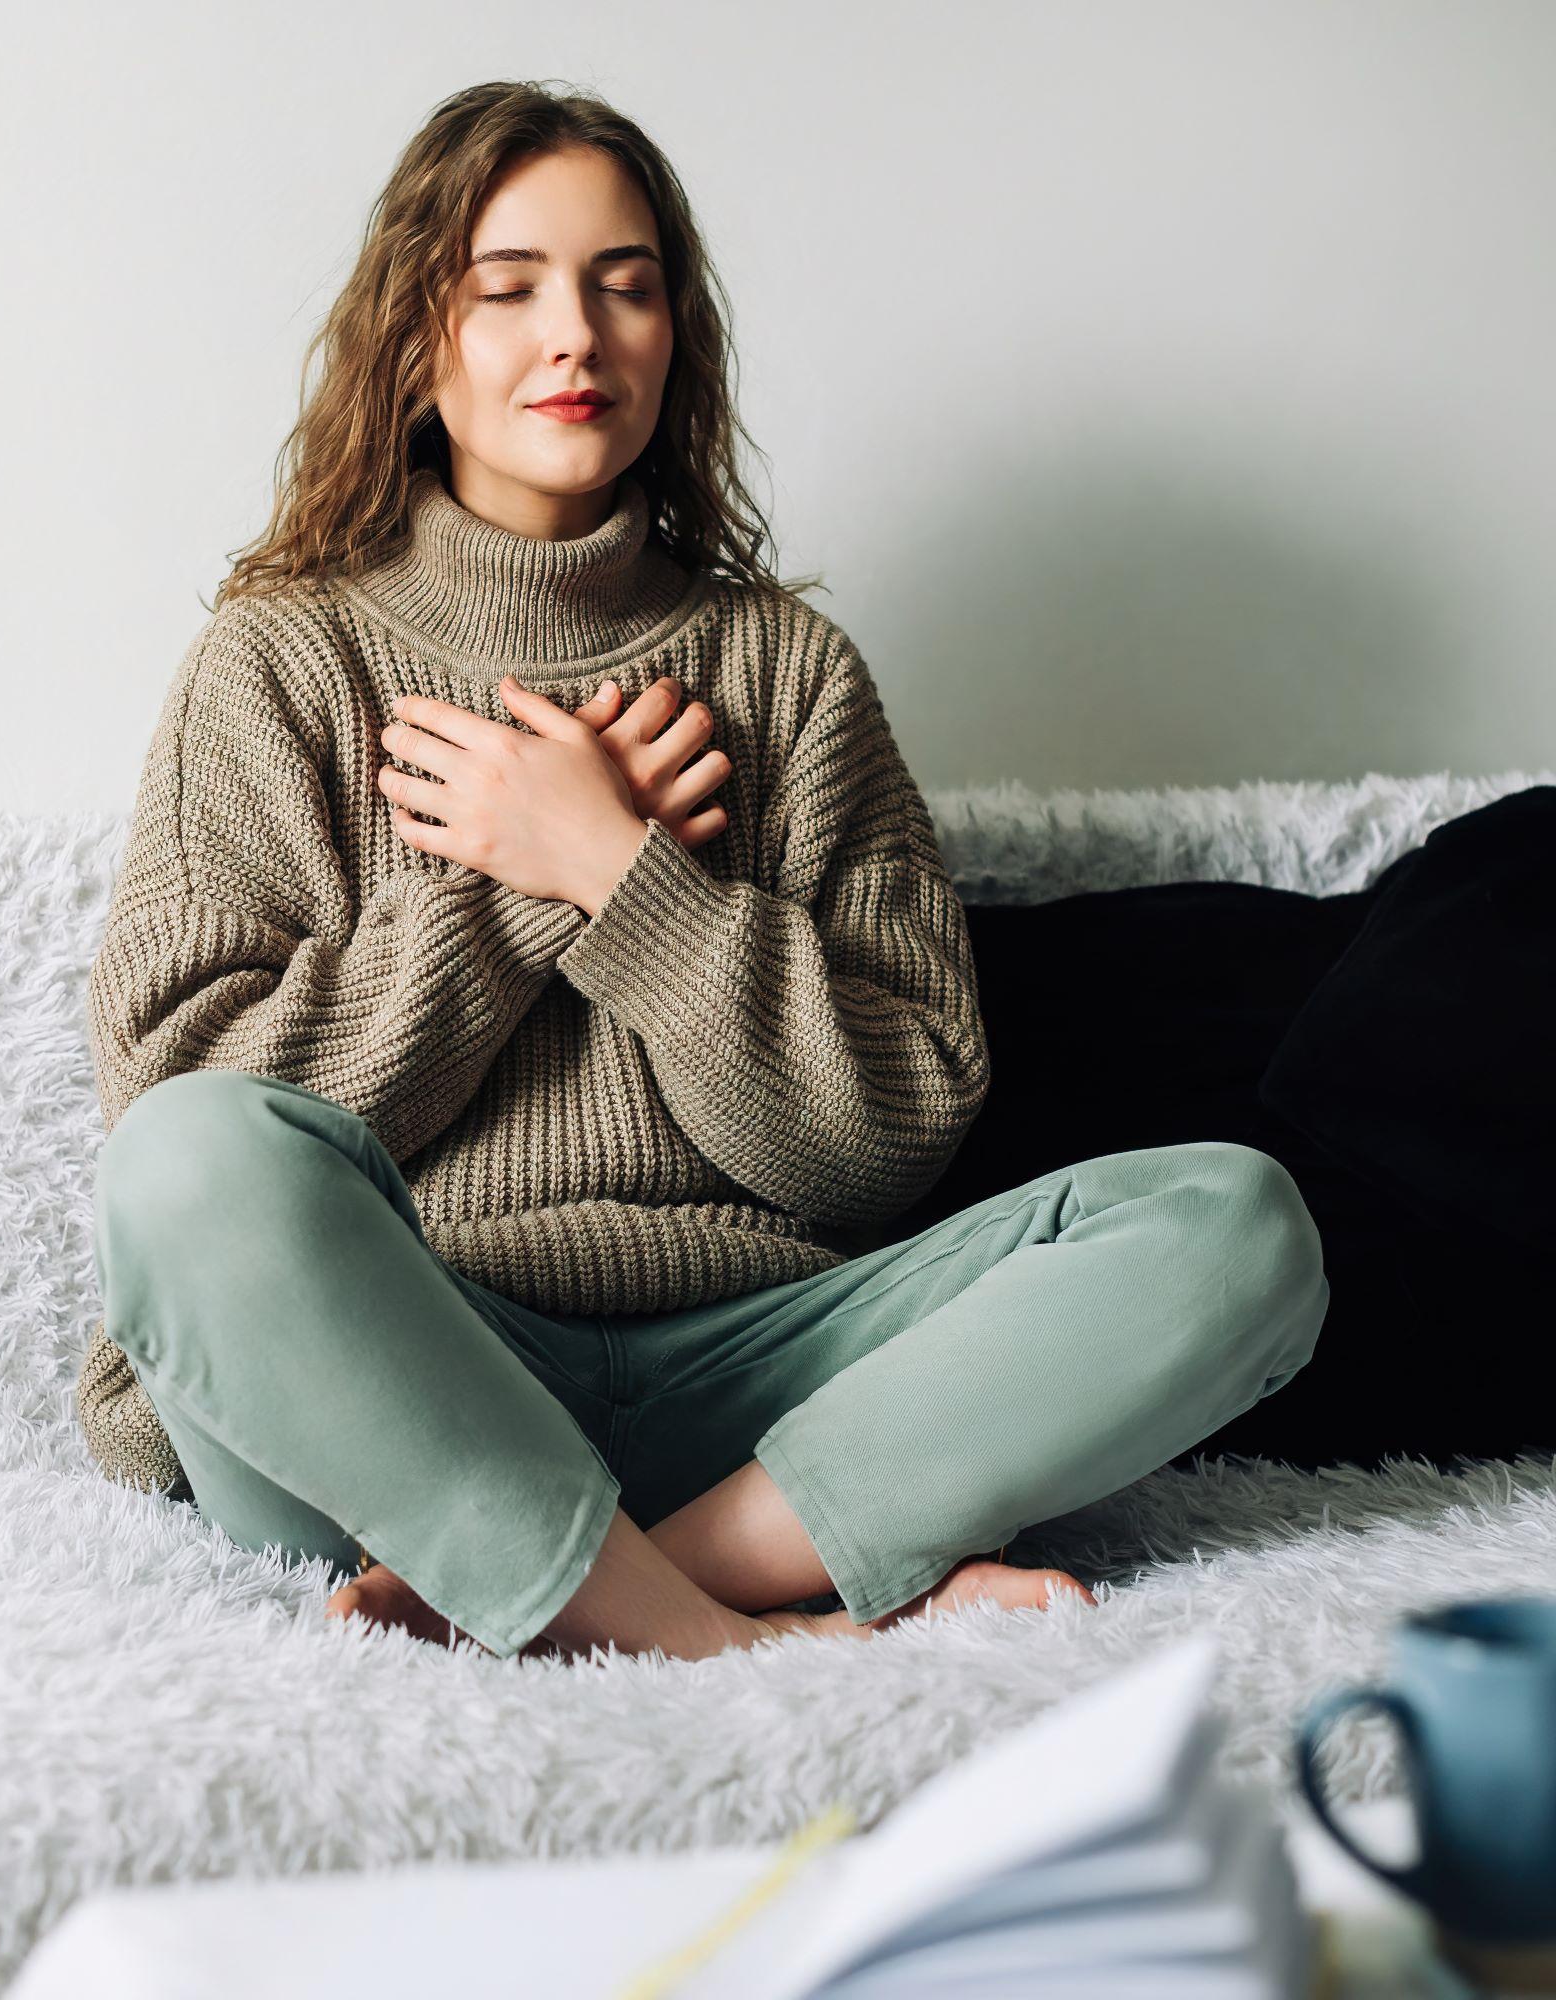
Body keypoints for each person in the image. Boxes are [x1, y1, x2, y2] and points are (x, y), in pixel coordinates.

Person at [81, 82, 1330, 1665]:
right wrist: (513, 888)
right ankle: (741, 1634)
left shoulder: (789, 674)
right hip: (412, 1393)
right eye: (508, 282)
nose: (578, 335)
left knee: (1242, 1228)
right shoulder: (281, 660)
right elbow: (187, 1102)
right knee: (182, 1162)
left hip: (781, 1392)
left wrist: (627, 877)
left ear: (678, 333)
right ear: (416, 334)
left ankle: (626, 1588)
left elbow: (879, 1146)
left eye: (627, 281)